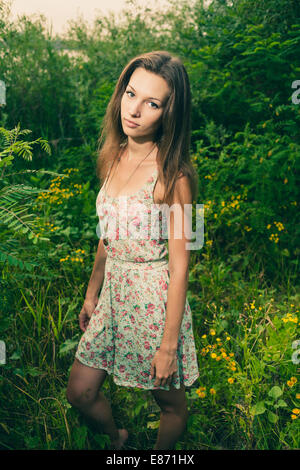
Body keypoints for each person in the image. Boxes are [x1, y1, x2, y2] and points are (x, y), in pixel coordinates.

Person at [66, 50, 200, 450]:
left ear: (169, 114)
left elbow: (180, 270)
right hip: (113, 295)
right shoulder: (113, 155)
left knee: (170, 403)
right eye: (130, 94)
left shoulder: (177, 176)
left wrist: (169, 346)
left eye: (152, 103)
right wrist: (92, 295)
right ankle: (117, 439)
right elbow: (107, 237)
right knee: (81, 392)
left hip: (153, 302)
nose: (135, 110)